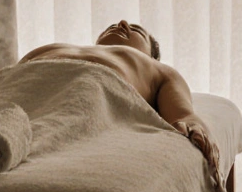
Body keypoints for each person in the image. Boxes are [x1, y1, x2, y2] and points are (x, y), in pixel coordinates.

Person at [20, 20, 218, 172]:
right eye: (111, 26)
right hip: (22, 97)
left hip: (85, 97)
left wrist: (197, 132)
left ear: (150, 55)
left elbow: (183, 115)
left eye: (137, 30)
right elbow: (5, 82)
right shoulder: (49, 49)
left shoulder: (157, 69)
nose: (122, 23)